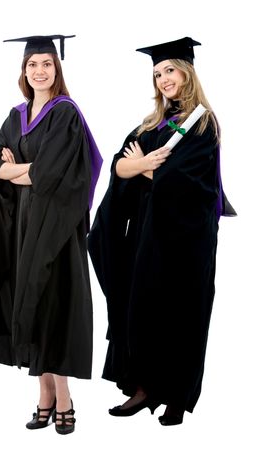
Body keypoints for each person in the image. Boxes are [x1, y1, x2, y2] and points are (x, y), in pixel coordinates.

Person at [88, 37, 236, 426]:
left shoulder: (202, 123)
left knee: (183, 313)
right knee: (143, 308)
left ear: (186, 72)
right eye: (157, 74)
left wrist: (145, 168)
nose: (163, 79)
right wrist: (140, 167)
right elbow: (119, 169)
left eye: (169, 70)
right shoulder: (151, 125)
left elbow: (188, 183)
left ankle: (177, 396)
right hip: (147, 236)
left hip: (187, 240)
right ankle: (144, 387)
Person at [0, 35, 102, 435]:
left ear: (57, 70)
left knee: (52, 308)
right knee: (26, 302)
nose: (40, 71)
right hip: (20, 228)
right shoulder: (16, 116)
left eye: (47, 64)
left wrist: (21, 168)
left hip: (55, 231)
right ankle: (44, 393)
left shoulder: (65, 114)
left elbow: (49, 174)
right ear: (24, 71)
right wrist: (18, 170)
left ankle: (63, 398)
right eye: (33, 64)